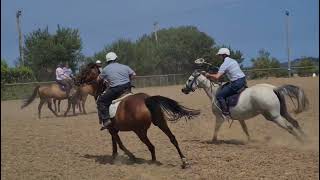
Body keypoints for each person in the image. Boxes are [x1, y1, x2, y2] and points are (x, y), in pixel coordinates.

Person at [96, 52, 136, 130]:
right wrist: (128, 79)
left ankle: (106, 120)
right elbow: (134, 75)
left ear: (107, 61)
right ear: (116, 59)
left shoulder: (105, 69)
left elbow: (98, 79)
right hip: (127, 88)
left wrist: (105, 80)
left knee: (100, 101)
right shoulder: (124, 66)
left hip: (116, 90)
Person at [204, 48, 246, 116]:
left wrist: (208, 75)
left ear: (223, 55)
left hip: (236, 83)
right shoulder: (233, 61)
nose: (219, 57)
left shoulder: (225, 64)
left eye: (220, 55)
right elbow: (225, 70)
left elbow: (217, 77)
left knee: (219, 95)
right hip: (243, 80)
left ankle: (225, 112)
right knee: (224, 86)